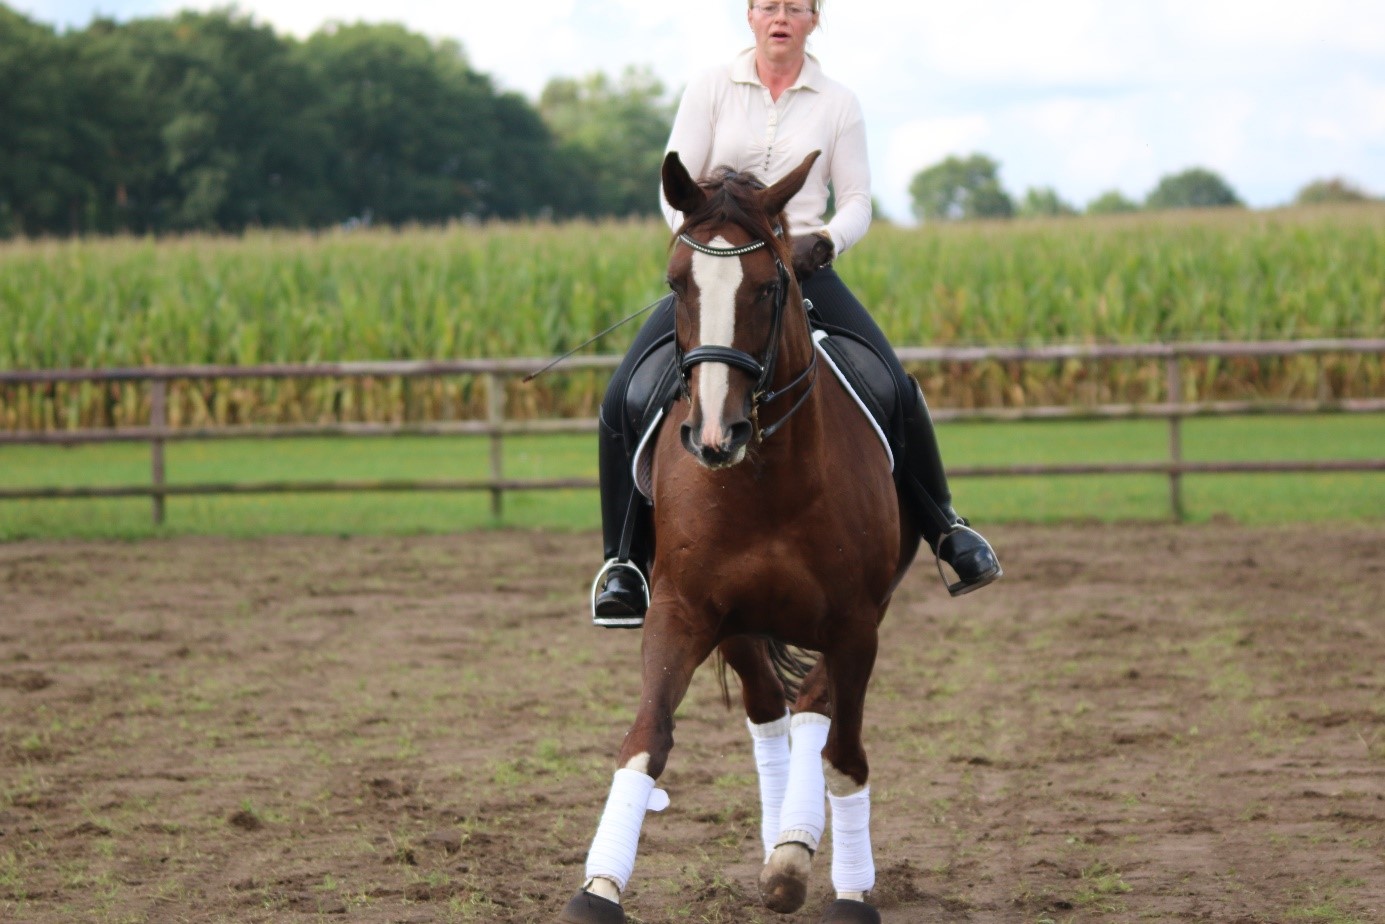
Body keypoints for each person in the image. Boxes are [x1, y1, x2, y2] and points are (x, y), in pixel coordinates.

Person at [592, 0, 1001, 626]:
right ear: (750, 17)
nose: (780, 16)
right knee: (624, 393)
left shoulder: (838, 102)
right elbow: (672, 187)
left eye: (795, 7)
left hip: (804, 262)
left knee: (894, 385)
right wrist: (708, 245)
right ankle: (622, 562)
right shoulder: (709, 87)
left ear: (814, 20)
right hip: (719, 267)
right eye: (768, 6)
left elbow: (858, 198)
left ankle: (948, 527)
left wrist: (827, 241)